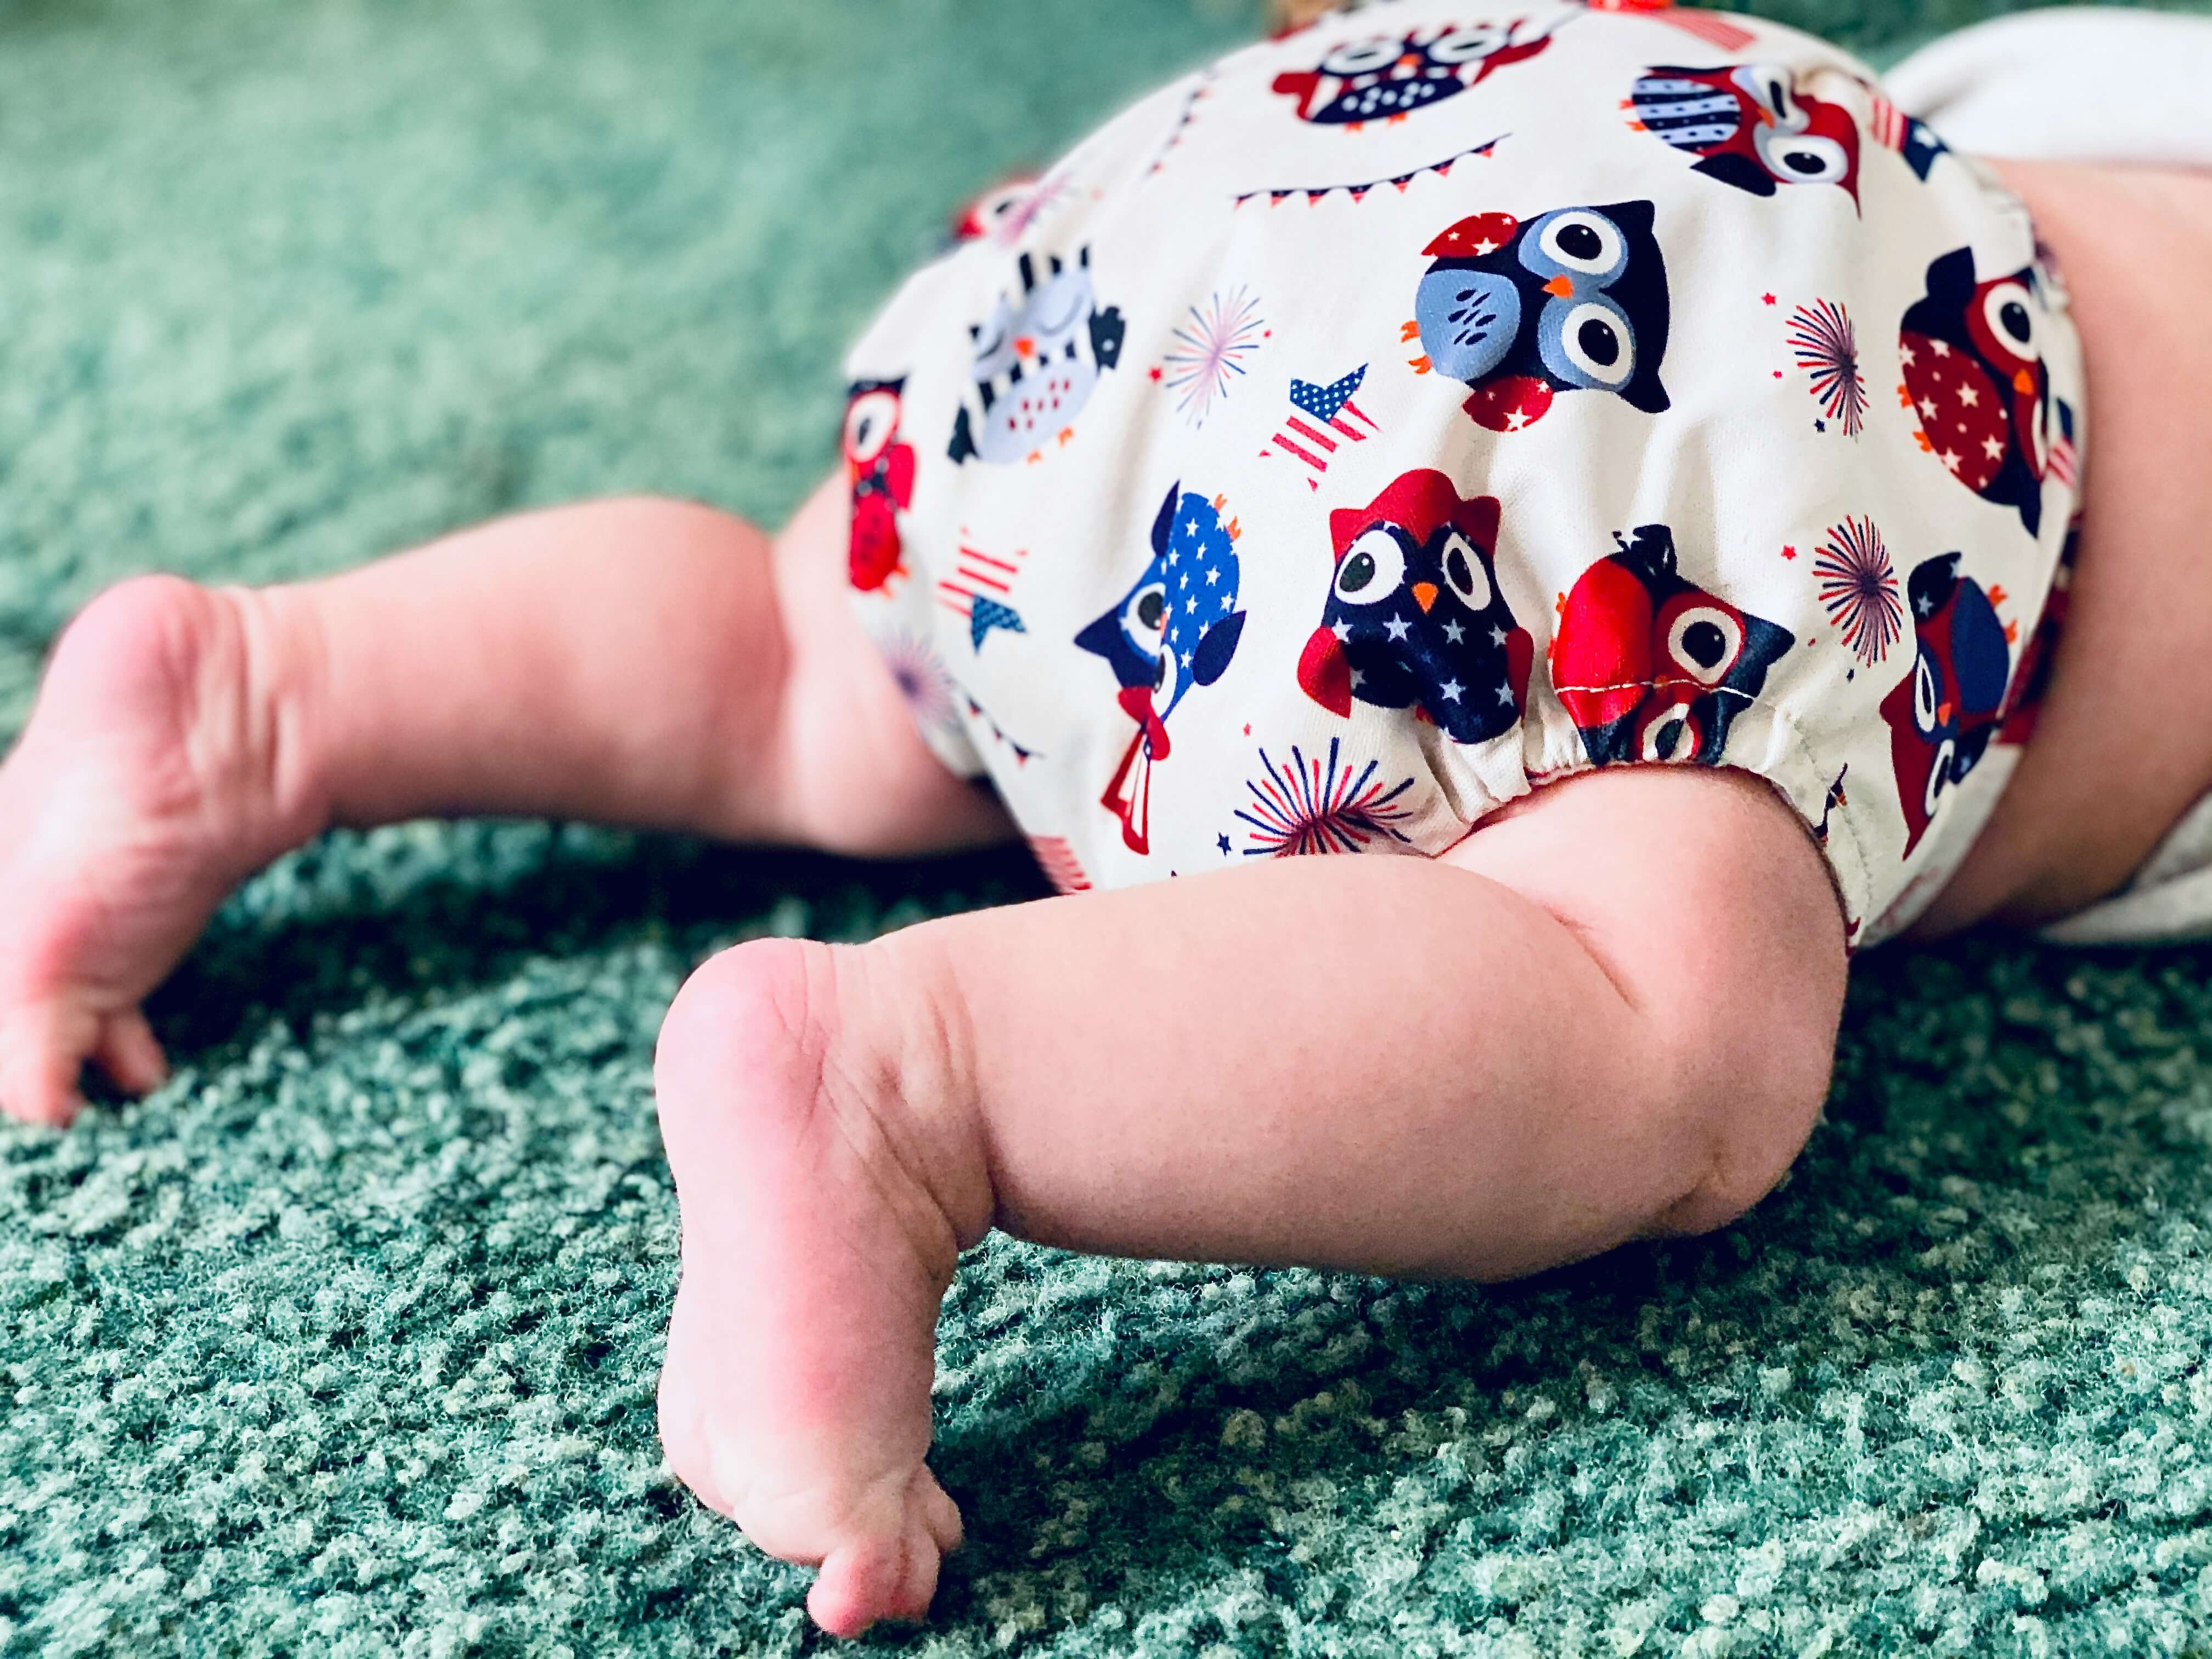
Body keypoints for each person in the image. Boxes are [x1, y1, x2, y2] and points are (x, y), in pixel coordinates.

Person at [4, 0, 2210, 1637]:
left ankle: (270, 695)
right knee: (1675, 1024)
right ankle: (923, 1087)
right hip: (1749, 419)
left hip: (1371, 161)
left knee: (809, 665)